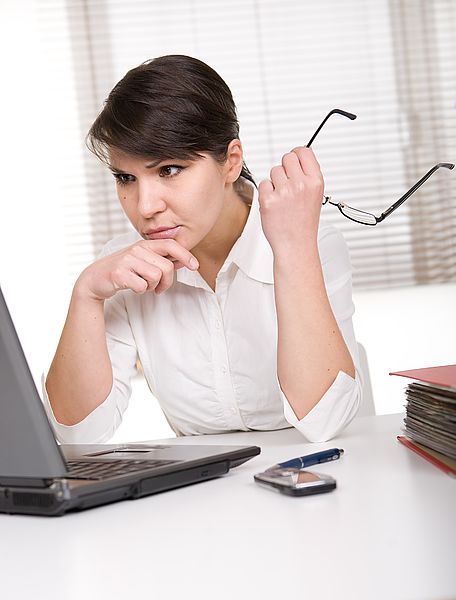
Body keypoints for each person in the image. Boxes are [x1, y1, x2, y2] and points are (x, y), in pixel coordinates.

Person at [43, 54, 362, 444]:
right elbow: (76, 434)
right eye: (126, 178)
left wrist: (294, 249)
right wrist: (86, 294)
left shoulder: (311, 243)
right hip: (201, 493)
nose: (145, 207)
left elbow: (326, 419)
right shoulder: (123, 266)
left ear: (230, 162)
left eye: (169, 170)